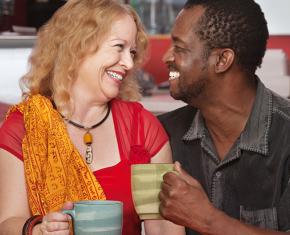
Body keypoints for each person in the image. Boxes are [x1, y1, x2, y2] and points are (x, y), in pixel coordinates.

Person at [0, 0, 185, 234]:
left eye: (132, 52)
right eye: (119, 47)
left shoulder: (141, 128)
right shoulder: (24, 128)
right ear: (78, 45)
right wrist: (37, 230)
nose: (128, 63)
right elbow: (8, 222)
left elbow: (164, 229)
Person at [158, 0, 290, 234]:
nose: (166, 57)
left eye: (179, 47)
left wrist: (207, 220)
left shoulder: (285, 136)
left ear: (222, 60)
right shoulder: (163, 134)